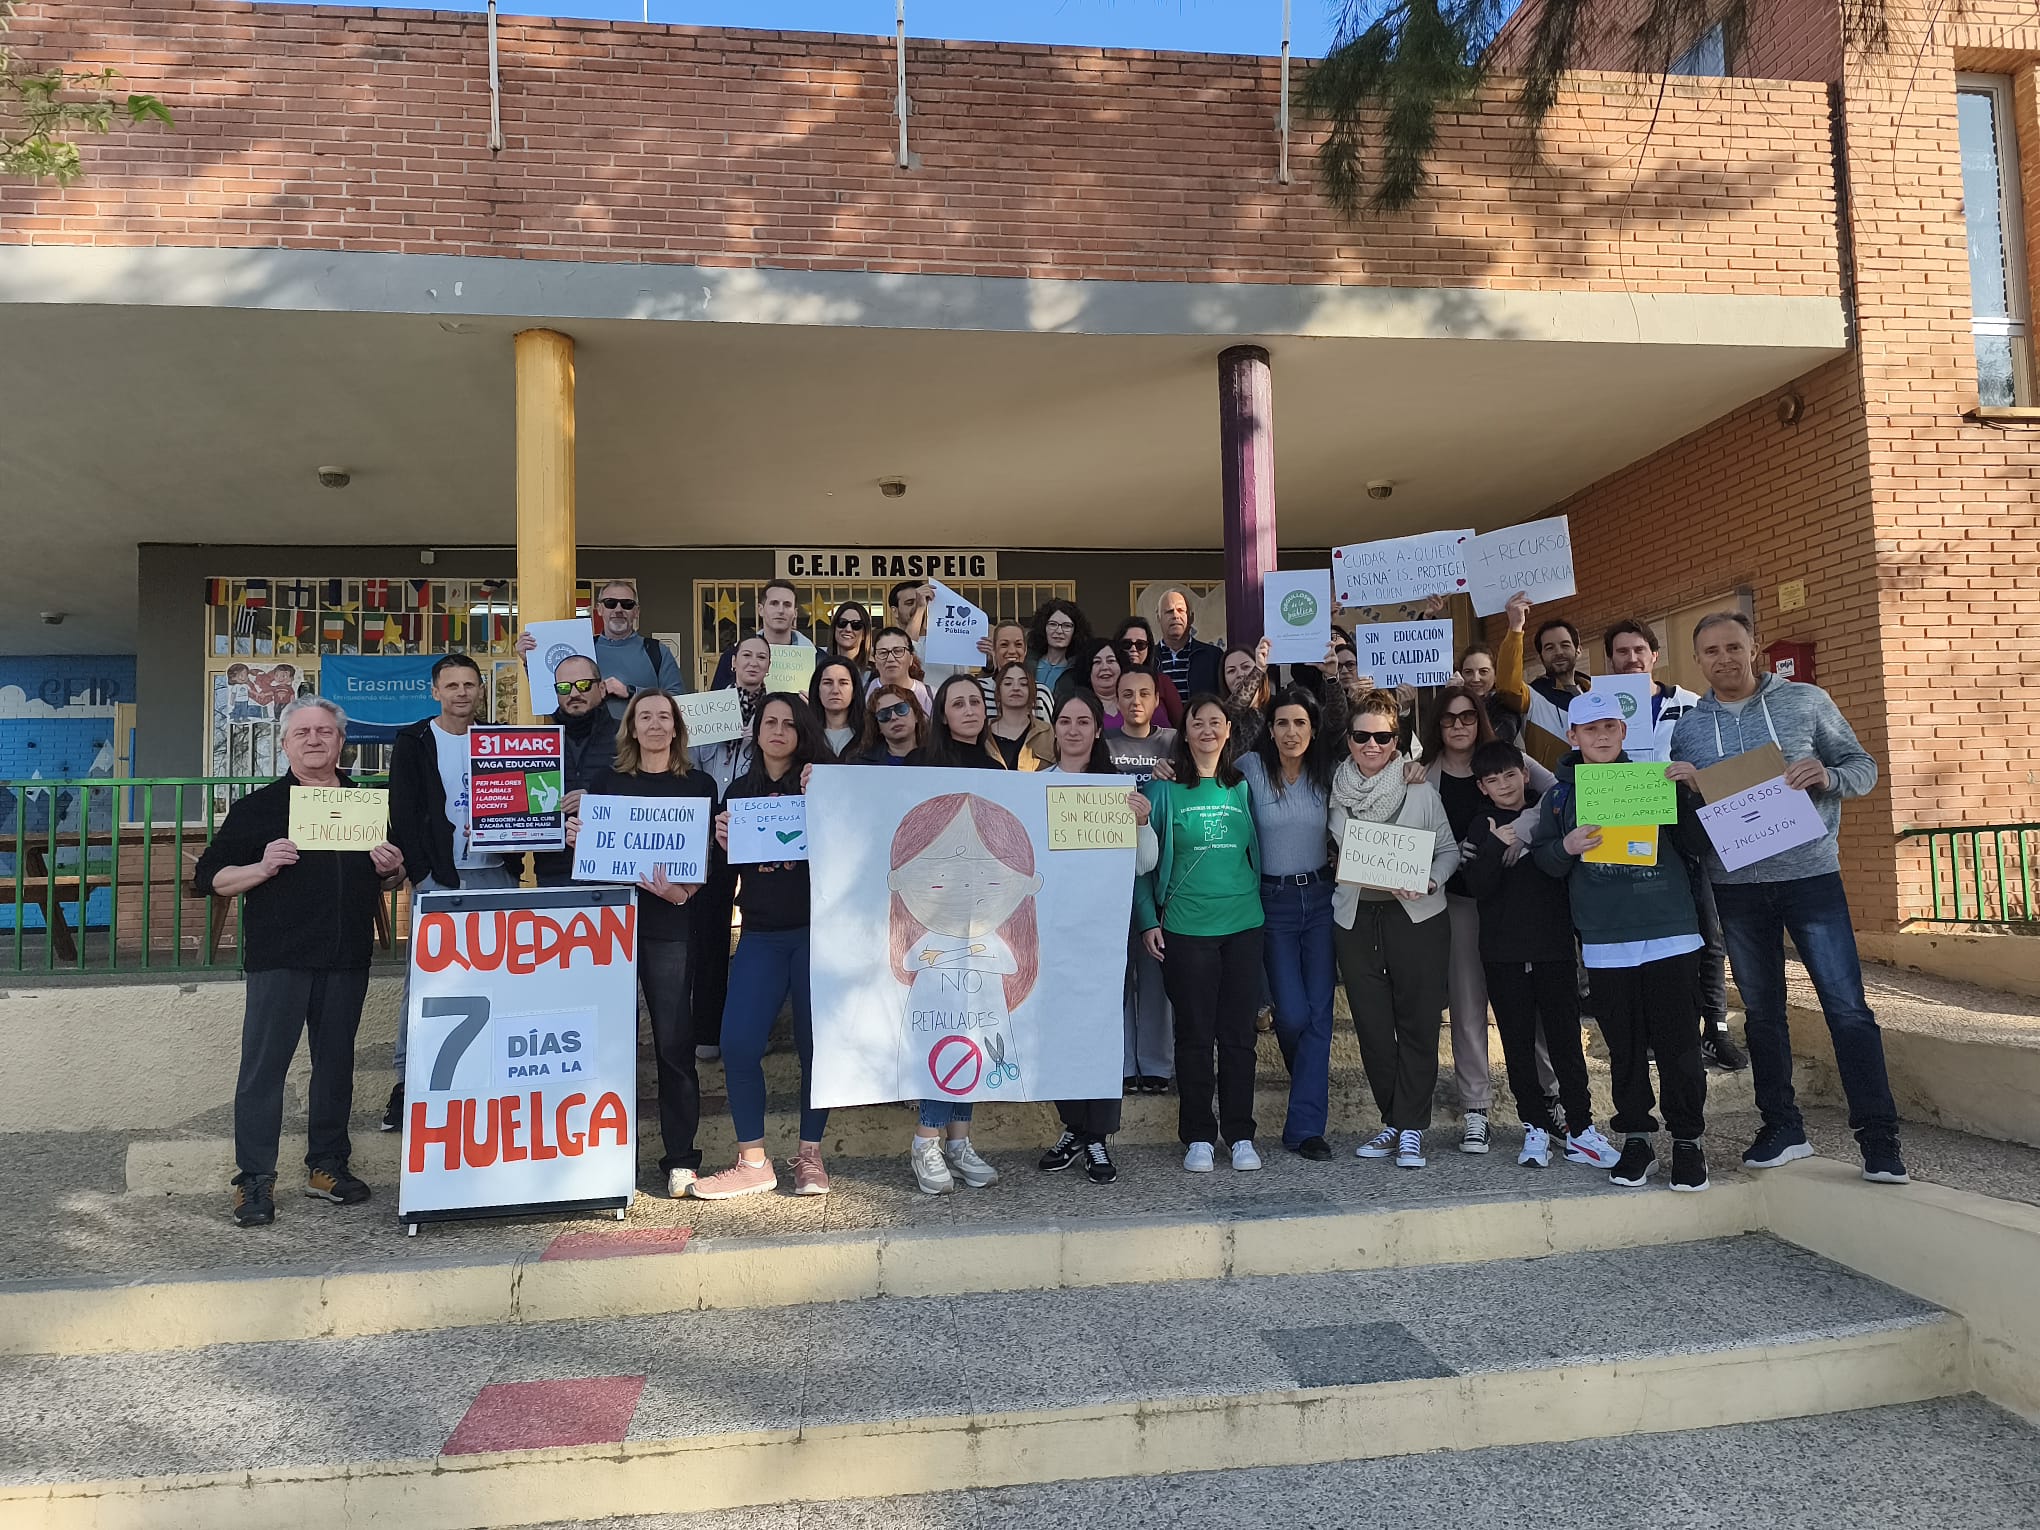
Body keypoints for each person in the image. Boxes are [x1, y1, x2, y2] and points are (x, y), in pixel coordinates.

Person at [1667, 611, 1904, 1183]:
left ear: (1754, 650)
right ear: (1698, 661)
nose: (1724, 658)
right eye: (1712, 651)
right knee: (1764, 1014)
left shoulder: (1805, 702)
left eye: (1734, 647)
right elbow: (1692, 817)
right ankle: (1781, 1126)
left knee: (1847, 1008)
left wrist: (1827, 775)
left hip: (1811, 878)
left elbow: (1863, 768)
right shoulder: (1690, 729)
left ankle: (1879, 1139)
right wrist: (1681, 787)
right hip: (1736, 887)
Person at [194, 697, 405, 1226]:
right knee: (264, 1070)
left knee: (335, 1066)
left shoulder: (364, 805)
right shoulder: (259, 807)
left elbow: (391, 879)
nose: (314, 740)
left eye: (325, 732)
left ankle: (326, 1166)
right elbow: (210, 880)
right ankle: (255, 1180)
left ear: (340, 743)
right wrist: (262, 867)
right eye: (303, 732)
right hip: (280, 957)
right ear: (285, 744)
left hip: (345, 956)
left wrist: (393, 868)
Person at [1535, 690, 1711, 1192]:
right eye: (1591, 730)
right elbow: (1545, 862)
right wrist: (1565, 847)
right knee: (1625, 1048)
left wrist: (1691, 791)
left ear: (1624, 731)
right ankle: (1636, 1137)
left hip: (1670, 935)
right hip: (1606, 941)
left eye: (1610, 727)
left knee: (1679, 1046)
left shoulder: (1657, 782)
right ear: (1573, 736)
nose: (1602, 736)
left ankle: (1687, 1141)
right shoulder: (1559, 795)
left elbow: (1699, 845)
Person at [569, 690, 715, 1198]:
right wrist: (578, 839)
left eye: (664, 717)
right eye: (645, 716)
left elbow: (704, 858)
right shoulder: (607, 783)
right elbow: (593, 853)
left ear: (677, 729)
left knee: (674, 1044)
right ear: (631, 727)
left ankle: (680, 1158)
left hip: (670, 925)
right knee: (609, 1044)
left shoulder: (699, 784)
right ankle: (609, 1156)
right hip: (612, 926)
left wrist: (682, 892)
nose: (655, 725)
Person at [692, 695, 832, 1199]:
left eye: (788, 724)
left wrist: (830, 795)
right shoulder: (738, 791)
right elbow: (722, 873)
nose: (777, 731)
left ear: (802, 732)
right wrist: (722, 840)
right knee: (738, 1043)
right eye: (768, 722)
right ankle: (753, 1160)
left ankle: (810, 1156)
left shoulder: (823, 782)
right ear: (756, 731)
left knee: (819, 1048)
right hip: (760, 935)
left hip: (817, 935)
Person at [1458, 740, 1621, 1171]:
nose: (1504, 785)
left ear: (1525, 774)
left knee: (1566, 1040)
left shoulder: (1550, 814)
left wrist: (1535, 844)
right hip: (1502, 952)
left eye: (1510, 775)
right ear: (1482, 787)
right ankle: (1533, 1125)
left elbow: (1562, 864)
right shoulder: (1481, 825)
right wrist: (1494, 845)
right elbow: (1478, 886)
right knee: (1516, 1043)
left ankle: (1581, 1127)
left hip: (1552, 947)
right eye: (1493, 780)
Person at [1411, 683, 1559, 1153]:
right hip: (1458, 904)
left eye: (1467, 716)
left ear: (1480, 719)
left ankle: (1550, 1096)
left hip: (1520, 904)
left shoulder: (1507, 758)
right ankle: (1477, 1107)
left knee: (1532, 1005)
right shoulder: (1423, 774)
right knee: (1468, 1008)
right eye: (1449, 719)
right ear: (1437, 725)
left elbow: (1560, 794)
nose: (1458, 725)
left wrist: (1521, 833)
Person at [383, 654, 525, 1131]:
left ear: (480, 690)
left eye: (470, 684)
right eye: (452, 685)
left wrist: (516, 862)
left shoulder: (502, 741)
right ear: (435, 692)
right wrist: (423, 874)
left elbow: (524, 801)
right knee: (425, 981)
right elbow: (402, 811)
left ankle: (488, 1074)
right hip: (440, 877)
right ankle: (407, 1084)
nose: (461, 693)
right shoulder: (414, 741)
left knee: (499, 977)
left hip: (495, 873)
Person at [1604, 617, 1746, 1074]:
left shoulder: (1690, 706)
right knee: (1643, 933)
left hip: (1685, 830)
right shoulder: (1598, 709)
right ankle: (1649, 1028)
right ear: (1609, 659)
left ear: (1654, 655)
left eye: (1638, 651)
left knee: (1709, 929)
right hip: (1624, 828)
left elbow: (1717, 764)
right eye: (1621, 652)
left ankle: (1716, 1029)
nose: (1630, 659)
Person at [1229, 641, 1351, 1161]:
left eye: (1300, 723)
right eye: (1282, 723)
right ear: (1270, 727)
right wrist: (1258, 670)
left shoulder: (1327, 770)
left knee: (1319, 1014)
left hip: (1321, 898)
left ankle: (1305, 1130)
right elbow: (1232, 714)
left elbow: (1351, 724)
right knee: (1293, 1015)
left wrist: (1332, 680)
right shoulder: (1251, 768)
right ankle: (1306, 1101)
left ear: (1312, 728)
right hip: (1272, 903)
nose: (1291, 732)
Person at [1136, 695, 1266, 1174]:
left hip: (1244, 927)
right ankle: (1197, 1136)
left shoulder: (1242, 787)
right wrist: (1149, 919)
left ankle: (1240, 1133)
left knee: (1237, 1037)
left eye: (1216, 722)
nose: (1208, 730)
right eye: (1198, 723)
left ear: (1228, 730)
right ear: (1184, 732)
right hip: (1186, 930)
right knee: (1194, 1037)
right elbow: (1142, 866)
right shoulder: (1163, 791)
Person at [1332, 690, 1459, 1170]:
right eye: (1362, 735)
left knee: (1419, 1023)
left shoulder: (1420, 788)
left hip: (1417, 916)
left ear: (1396, 740)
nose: (1371, 744)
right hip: (1356, 917)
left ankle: (1411, 1128)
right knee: (1372, 1027)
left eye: (1382, 737)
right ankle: (1394, 1118)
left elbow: (1447, 850)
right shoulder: (1335, 789)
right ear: (1348, 740)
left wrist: (1432, 879)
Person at [1033, 689, 1154, 1185]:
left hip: (1103, 933)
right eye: (1066, 720)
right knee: (1061, 1028)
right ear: (1054, 729)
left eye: (1084, 721)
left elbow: (1144, 863)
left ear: (1096, 730)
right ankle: (1074, 1127)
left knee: (1101, 1030)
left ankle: (1099, 1136)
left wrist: (1142, 823)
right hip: (1052, 930)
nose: (1075, 729)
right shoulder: (1035, 787)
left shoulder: (1117, 790)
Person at [688, 633, 770, 1064]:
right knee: (710, 926)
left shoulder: (776, 710)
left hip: (757, 821)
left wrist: (756, 734)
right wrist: (721, 733)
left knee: (758, 926)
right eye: (746, 656)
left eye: (762, 657)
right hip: (711, 824)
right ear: (733, 661)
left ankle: (754, 1025)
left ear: (769, 667)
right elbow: (690, 760)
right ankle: (706, 1026)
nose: (753, 663)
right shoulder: (709, 706)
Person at [1109, 667, 1178, 1092]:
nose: (1136, 700)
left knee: (1154, 975)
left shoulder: (1173, 743)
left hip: (1155, 868)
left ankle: (1155, 1063)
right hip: (1110, 872)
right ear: (1115, 702)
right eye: (1127, 694)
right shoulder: (1105, 745)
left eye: (1145, 694)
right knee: (1117, 976)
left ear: (1157, 701)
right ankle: (1119, 1063)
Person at [532, 654, 616, 886]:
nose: (574, 693)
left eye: (583, 685)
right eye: (564, 687)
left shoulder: (627, 737)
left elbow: (644, 794)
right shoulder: (535, 742)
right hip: (554, 869)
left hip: (613, 867)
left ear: (601, 688)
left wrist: (595, 802)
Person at [587, 580, 687, 720]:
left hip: (645, 739)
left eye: (627, 604)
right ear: (599, 609)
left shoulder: (657, 651)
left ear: (636, 612)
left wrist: (631, 691)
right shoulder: (584, 650)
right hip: (593, 739)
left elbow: (679, 701)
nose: (618, 610)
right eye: (610, 603)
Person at [1455, 590, 1533, 745]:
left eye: (1483, 671)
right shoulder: (1452, 702)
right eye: (1468, 672)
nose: (1475, 678)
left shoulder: (1505, 704)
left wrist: (1515, 626)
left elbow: (1496, 740)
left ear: (1496, 674)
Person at [711, 578, 816, 688]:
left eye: (787, 605)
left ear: (795, 613)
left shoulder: (817, 658)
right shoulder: (732, 657)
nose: (780, 610)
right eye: (774, 603)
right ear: (760, 610)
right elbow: (717, 700)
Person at [1523, 617, 1587, 770]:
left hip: (1597, 785)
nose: (1558, 652)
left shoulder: (1595, 692)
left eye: (1565, 645)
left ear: (1578, 650)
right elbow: (1507, 686)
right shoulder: (1532, 695)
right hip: (1553, 787)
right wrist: (1515, 627)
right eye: (1549, 648)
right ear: (1540, 657)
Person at [906, 673, 1006, 769]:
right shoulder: (918, 761)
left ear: (985, 711)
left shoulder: (995, 769)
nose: (969, 712)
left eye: (975, 702)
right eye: (958, 704)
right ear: (943, 716)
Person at [1111, 617, 1185, 726]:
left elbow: (1181, 726)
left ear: (1148, 648)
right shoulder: (1108, 684)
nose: (1133, 649)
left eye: (1140, 644)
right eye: (1127, 644)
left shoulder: (1162, 682)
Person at [1153, 588, 1223, 698]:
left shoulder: (1213, 657)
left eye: (1181, 610)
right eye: (1169, 611)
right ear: (1158, 618)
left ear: (1191, 617)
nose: (1175, 616)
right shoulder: (1149, 658)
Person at [987, 660, 1053, 769]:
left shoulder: (1048, 733)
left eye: (1023, 684)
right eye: (1008, 683)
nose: (1016, 688)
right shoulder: (983, 733)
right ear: (998, 692)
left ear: (1032, 691)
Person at [1053, 639, 1126, 730]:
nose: (1104, 667)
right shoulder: (1078, 706)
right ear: (1088, 670)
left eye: (1110, 661)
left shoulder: (1135, 701)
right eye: (1097, 662)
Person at [1026, 599, 1089, 706]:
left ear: (1076, 631)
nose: (1059, 631)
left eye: (1067, 626)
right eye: (1053, 624)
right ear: (1043, 627)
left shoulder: (1080, 670)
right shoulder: (1027, 662)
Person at [808, 656, 868, 760]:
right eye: (827, 683)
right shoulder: (805, 735)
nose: (835, 690)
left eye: (843, 683)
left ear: (854, 691)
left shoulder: (868, 735)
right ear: (817, 690)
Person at [867, 626, 934, 715]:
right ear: (875, 660)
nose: (890, 659)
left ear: (911, 658)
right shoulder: (862, 694)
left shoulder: (932, 696)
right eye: (883, 653)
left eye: (898, 651)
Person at [856, 681, 927, 763]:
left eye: (901, 708)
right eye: (884, 714)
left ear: (916, 715)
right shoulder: (861, 764)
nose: (894, 717)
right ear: (877, 726)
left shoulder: (939, 759)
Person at [976, 619, 1032, 707]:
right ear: (994, 649)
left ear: (1025, 650)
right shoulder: (978, 690)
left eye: (1018, 644)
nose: (1012, 651)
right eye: (1004, 645)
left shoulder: (1041, 692)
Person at [826, 600, 874, 674]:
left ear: (864, 634)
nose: (848, 629)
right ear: (834, 628)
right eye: (842, 623)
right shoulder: (819, 666)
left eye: (856, 625)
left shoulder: (874, 673)